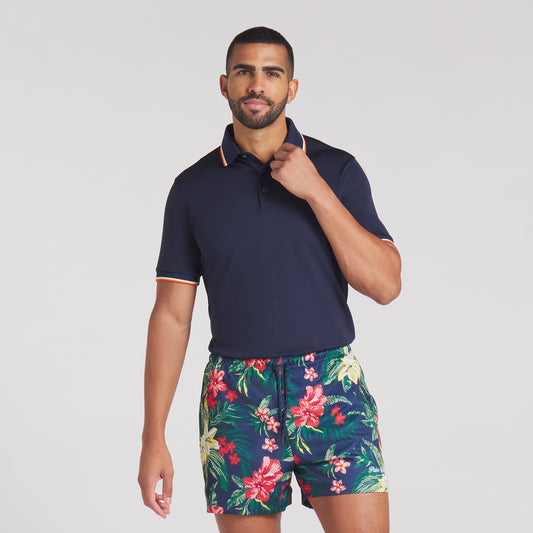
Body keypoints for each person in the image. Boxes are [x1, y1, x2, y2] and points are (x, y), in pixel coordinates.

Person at [138, 26, 401, 533]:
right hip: (236, 395)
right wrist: (153, 437)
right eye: (244, 71)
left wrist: (315, 191)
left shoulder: (336, 170)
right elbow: (171, 316)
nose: (257, 84)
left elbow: (386, 285)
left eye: (272, 73)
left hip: (329, 386)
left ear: (291, 87)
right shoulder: (193, 188)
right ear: (225, 84)